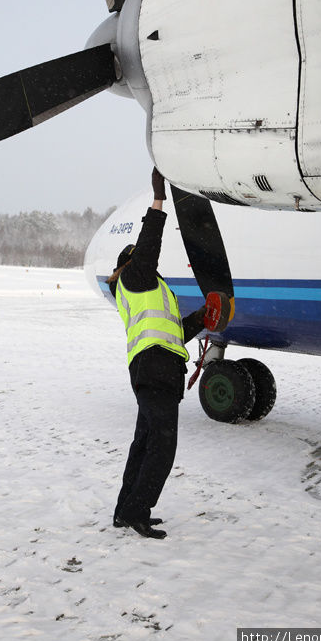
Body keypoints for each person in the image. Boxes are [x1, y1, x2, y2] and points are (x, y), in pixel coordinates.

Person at [107, 168, 206, 539]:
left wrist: (203, 318)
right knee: (163, 446)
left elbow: (173, 330)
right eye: (137, 254)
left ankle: (124, 510)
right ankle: (137, 512)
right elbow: (149, 245)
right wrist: (158, 201)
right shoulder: (135, 276)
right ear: (128, 262)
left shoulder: (149, 288)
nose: (145, 256)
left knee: (145, 443)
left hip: (156, 368)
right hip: (154, 369)